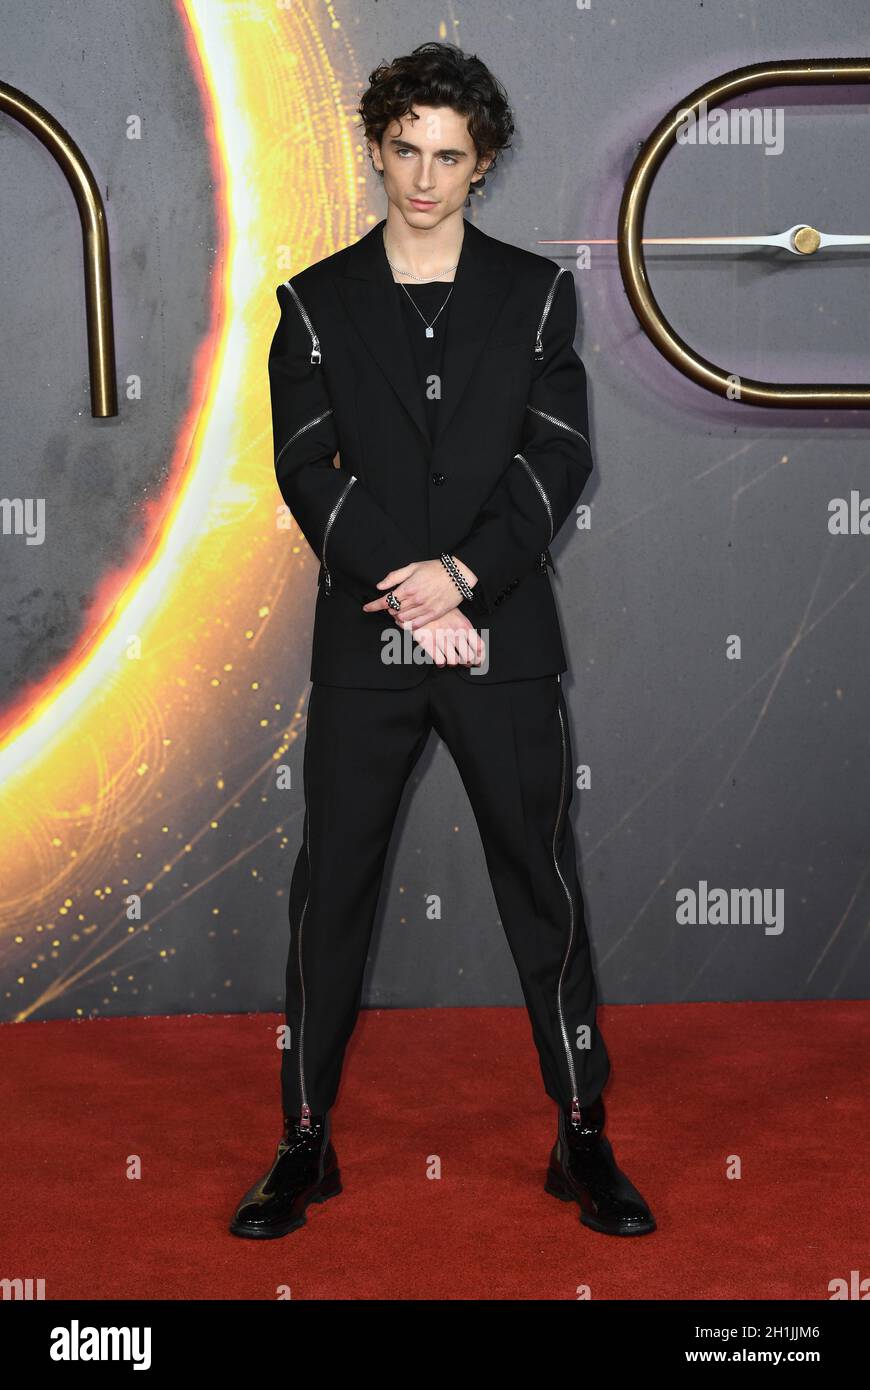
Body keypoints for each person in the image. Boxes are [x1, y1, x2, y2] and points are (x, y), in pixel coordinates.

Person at [230, 41, 655, 1240]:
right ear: (376, 148)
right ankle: (302, 1144)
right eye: (405, 151)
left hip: (502, 638)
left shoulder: (536, 295)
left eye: (450, 157)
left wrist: (463, 575)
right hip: (368, 642)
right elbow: (305, 466)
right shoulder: (313, 301)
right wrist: (411, 591)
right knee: (334, 895)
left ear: (484, 164)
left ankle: (581, 1135)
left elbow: (559, 453)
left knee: (543, 885)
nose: (424, 177)